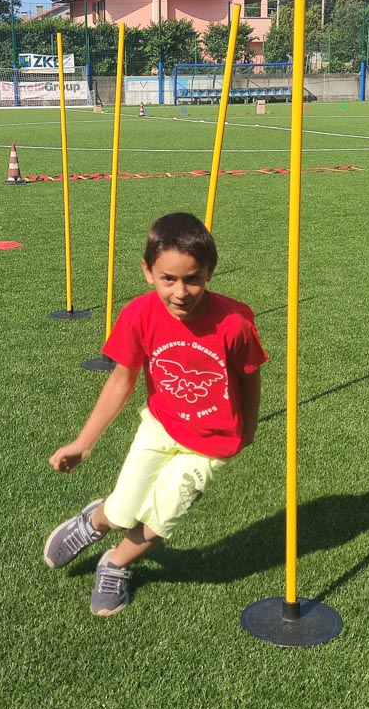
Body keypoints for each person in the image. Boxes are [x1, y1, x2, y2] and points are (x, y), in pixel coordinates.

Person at [44, 212, 267, 616]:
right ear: (148, 272)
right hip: (161, 427)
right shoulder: (139, 314)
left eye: (192, 279)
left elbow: (250, 376)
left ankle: (115, 564)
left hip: (212, 444)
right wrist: (83, 443)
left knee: (163, 516)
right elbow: (121, 381)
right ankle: (94, 522)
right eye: (168, 279)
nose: (181, 292)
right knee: (122, 511)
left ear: (210, 272)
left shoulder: (235, 323)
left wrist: (247, 429)